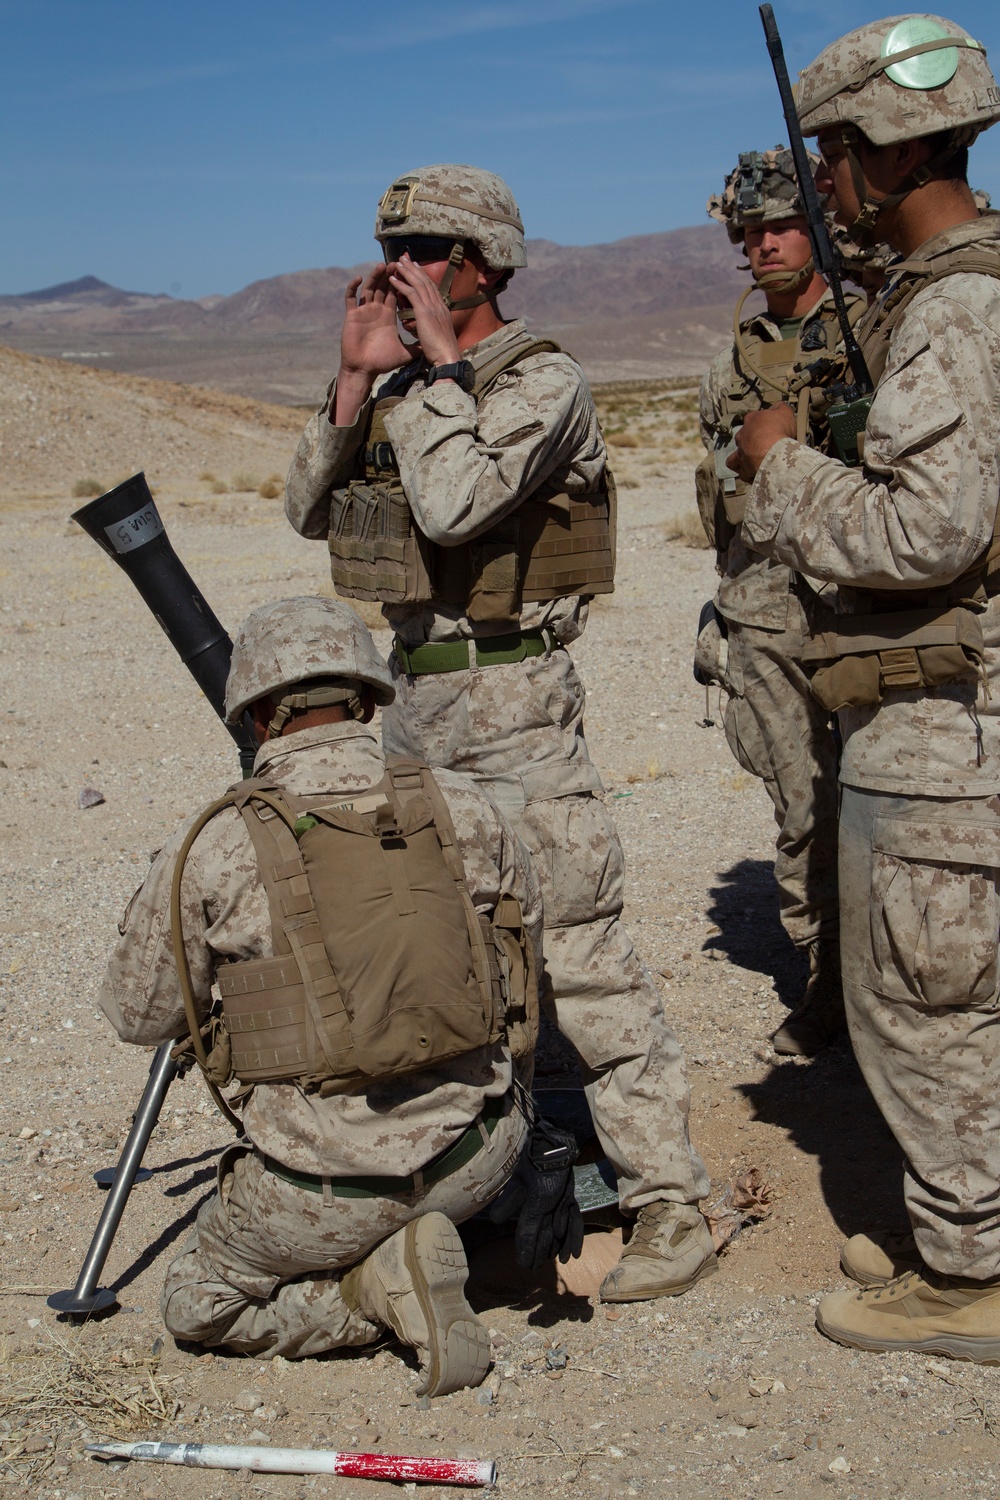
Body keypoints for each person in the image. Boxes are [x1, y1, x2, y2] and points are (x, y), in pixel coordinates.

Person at [285, 163, 716, 1302]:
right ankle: (479, 1182)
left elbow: (458, 504)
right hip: (412, 706)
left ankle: (670, 1201)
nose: (401, 270)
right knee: (443, 962)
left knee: (579, 956)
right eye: (391, 250)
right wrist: (347, 380)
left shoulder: (542, 381)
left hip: (515, 707)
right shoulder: (397, 388)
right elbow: (304, 509)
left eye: (424, 251)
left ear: (481, 265)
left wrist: (431, 373)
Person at [732, 13, 1000, 1361]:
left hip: (948, 729)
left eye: (833, 155)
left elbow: (924, 535)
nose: (823, 186)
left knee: (930, 1000)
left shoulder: (953, 308)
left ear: (890, 159)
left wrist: (783, 464)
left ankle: (970, 1279)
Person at [99, 596, 549, 1394]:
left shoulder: (212, 843)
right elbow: (523, 968)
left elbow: (141, 1017)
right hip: (480, 1159)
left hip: (323, 1196)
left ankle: (367, 1296)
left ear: (261, 713)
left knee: (196, 1305)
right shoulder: (466, 803)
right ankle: (455, 1247)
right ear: (368, 696)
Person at [698, 148, 867, 1056]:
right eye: (750, 230)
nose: (763, 245)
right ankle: (829, 984)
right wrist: (717, 612)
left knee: (896, 802)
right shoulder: (730, 365)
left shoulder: (871, 333)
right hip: (764, 615)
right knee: (802, 807)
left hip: (864, 607)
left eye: (782, 225)